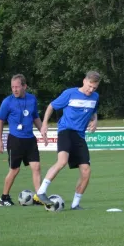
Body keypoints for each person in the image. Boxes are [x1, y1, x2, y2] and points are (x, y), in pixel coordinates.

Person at [36, 71, 100, 210]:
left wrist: (95, 121)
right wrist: (45, 124)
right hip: (66, 131)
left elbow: (93, 111)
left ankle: (75, 204)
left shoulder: (95, 97)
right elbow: (51, 106)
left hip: (80, 136)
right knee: (62, 161)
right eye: (89, 86)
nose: (91, 90)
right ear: (84, 81)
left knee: (86, 171)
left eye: (94, 88)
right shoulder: (69, 93)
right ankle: (41, 191)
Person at [0, 74, 44, 206]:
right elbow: (0, 121)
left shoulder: (32, 99)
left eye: (17, 87)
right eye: (12, 87)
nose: (14, 90)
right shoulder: (7, 102)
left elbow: (35, 117)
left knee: (36, 167)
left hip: (30, 140)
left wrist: (43, 132)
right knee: (15, 170)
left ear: (24, 86)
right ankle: (4, 198)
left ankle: (38, 196)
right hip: (15, 140)